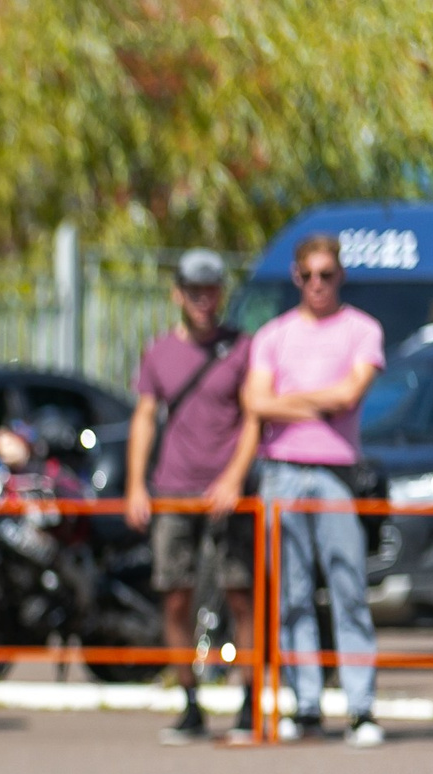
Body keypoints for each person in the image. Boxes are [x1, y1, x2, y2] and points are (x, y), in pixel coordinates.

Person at [245, 235, 386, 747]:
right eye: (309, 276)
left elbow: (350, 394)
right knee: (291, 594)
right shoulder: (273, 335)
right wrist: (317, 404)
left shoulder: (362, 329)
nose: (318, 284)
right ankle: (305, 705)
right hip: (280, 471)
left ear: (340, 276)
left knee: (348, 588)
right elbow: (255, 402)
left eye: (327, 275)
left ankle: (360, 708)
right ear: (296, 277)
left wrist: (289, 399)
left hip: (335, 473)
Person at [125, 249, 262, 744]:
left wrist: (233, 477)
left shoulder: (242, 348)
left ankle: (250, 701)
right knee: (174, 595)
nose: (204, 300)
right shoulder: (159, 352)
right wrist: (136, 484)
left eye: (212, 290)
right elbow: (144, 417)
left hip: (229, 493)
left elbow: (254, 419)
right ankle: (189, 703)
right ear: (178, 293)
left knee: (241, 594)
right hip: (174, 489)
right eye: (194, 290)